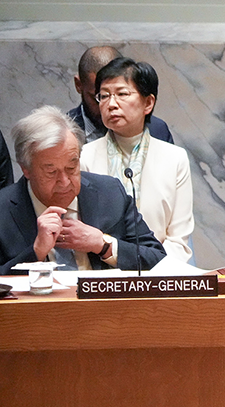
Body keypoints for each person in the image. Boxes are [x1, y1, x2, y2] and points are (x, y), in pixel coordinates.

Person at [0, 106, 166, 275]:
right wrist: (36, 252)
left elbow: (158, 260)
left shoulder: (110, 193)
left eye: (72, 168)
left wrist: (103, 245)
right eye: (51, 172)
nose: (64, 182)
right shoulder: (3, 210)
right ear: (25, 169)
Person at [80, 58, 194, 261]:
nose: (111, 104)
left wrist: (152, 271)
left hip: (160, 275)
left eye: (122, 94)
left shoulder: (175, 158)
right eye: (104, 96)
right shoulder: (85, 156)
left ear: (148, 103)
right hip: (101, 275)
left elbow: (178, 240)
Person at [68, 46, 174, 144]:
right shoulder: (63, 131)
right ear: (78, 85)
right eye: (102, 97)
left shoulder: (157, 130)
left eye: (122, 94)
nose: (110, 105)